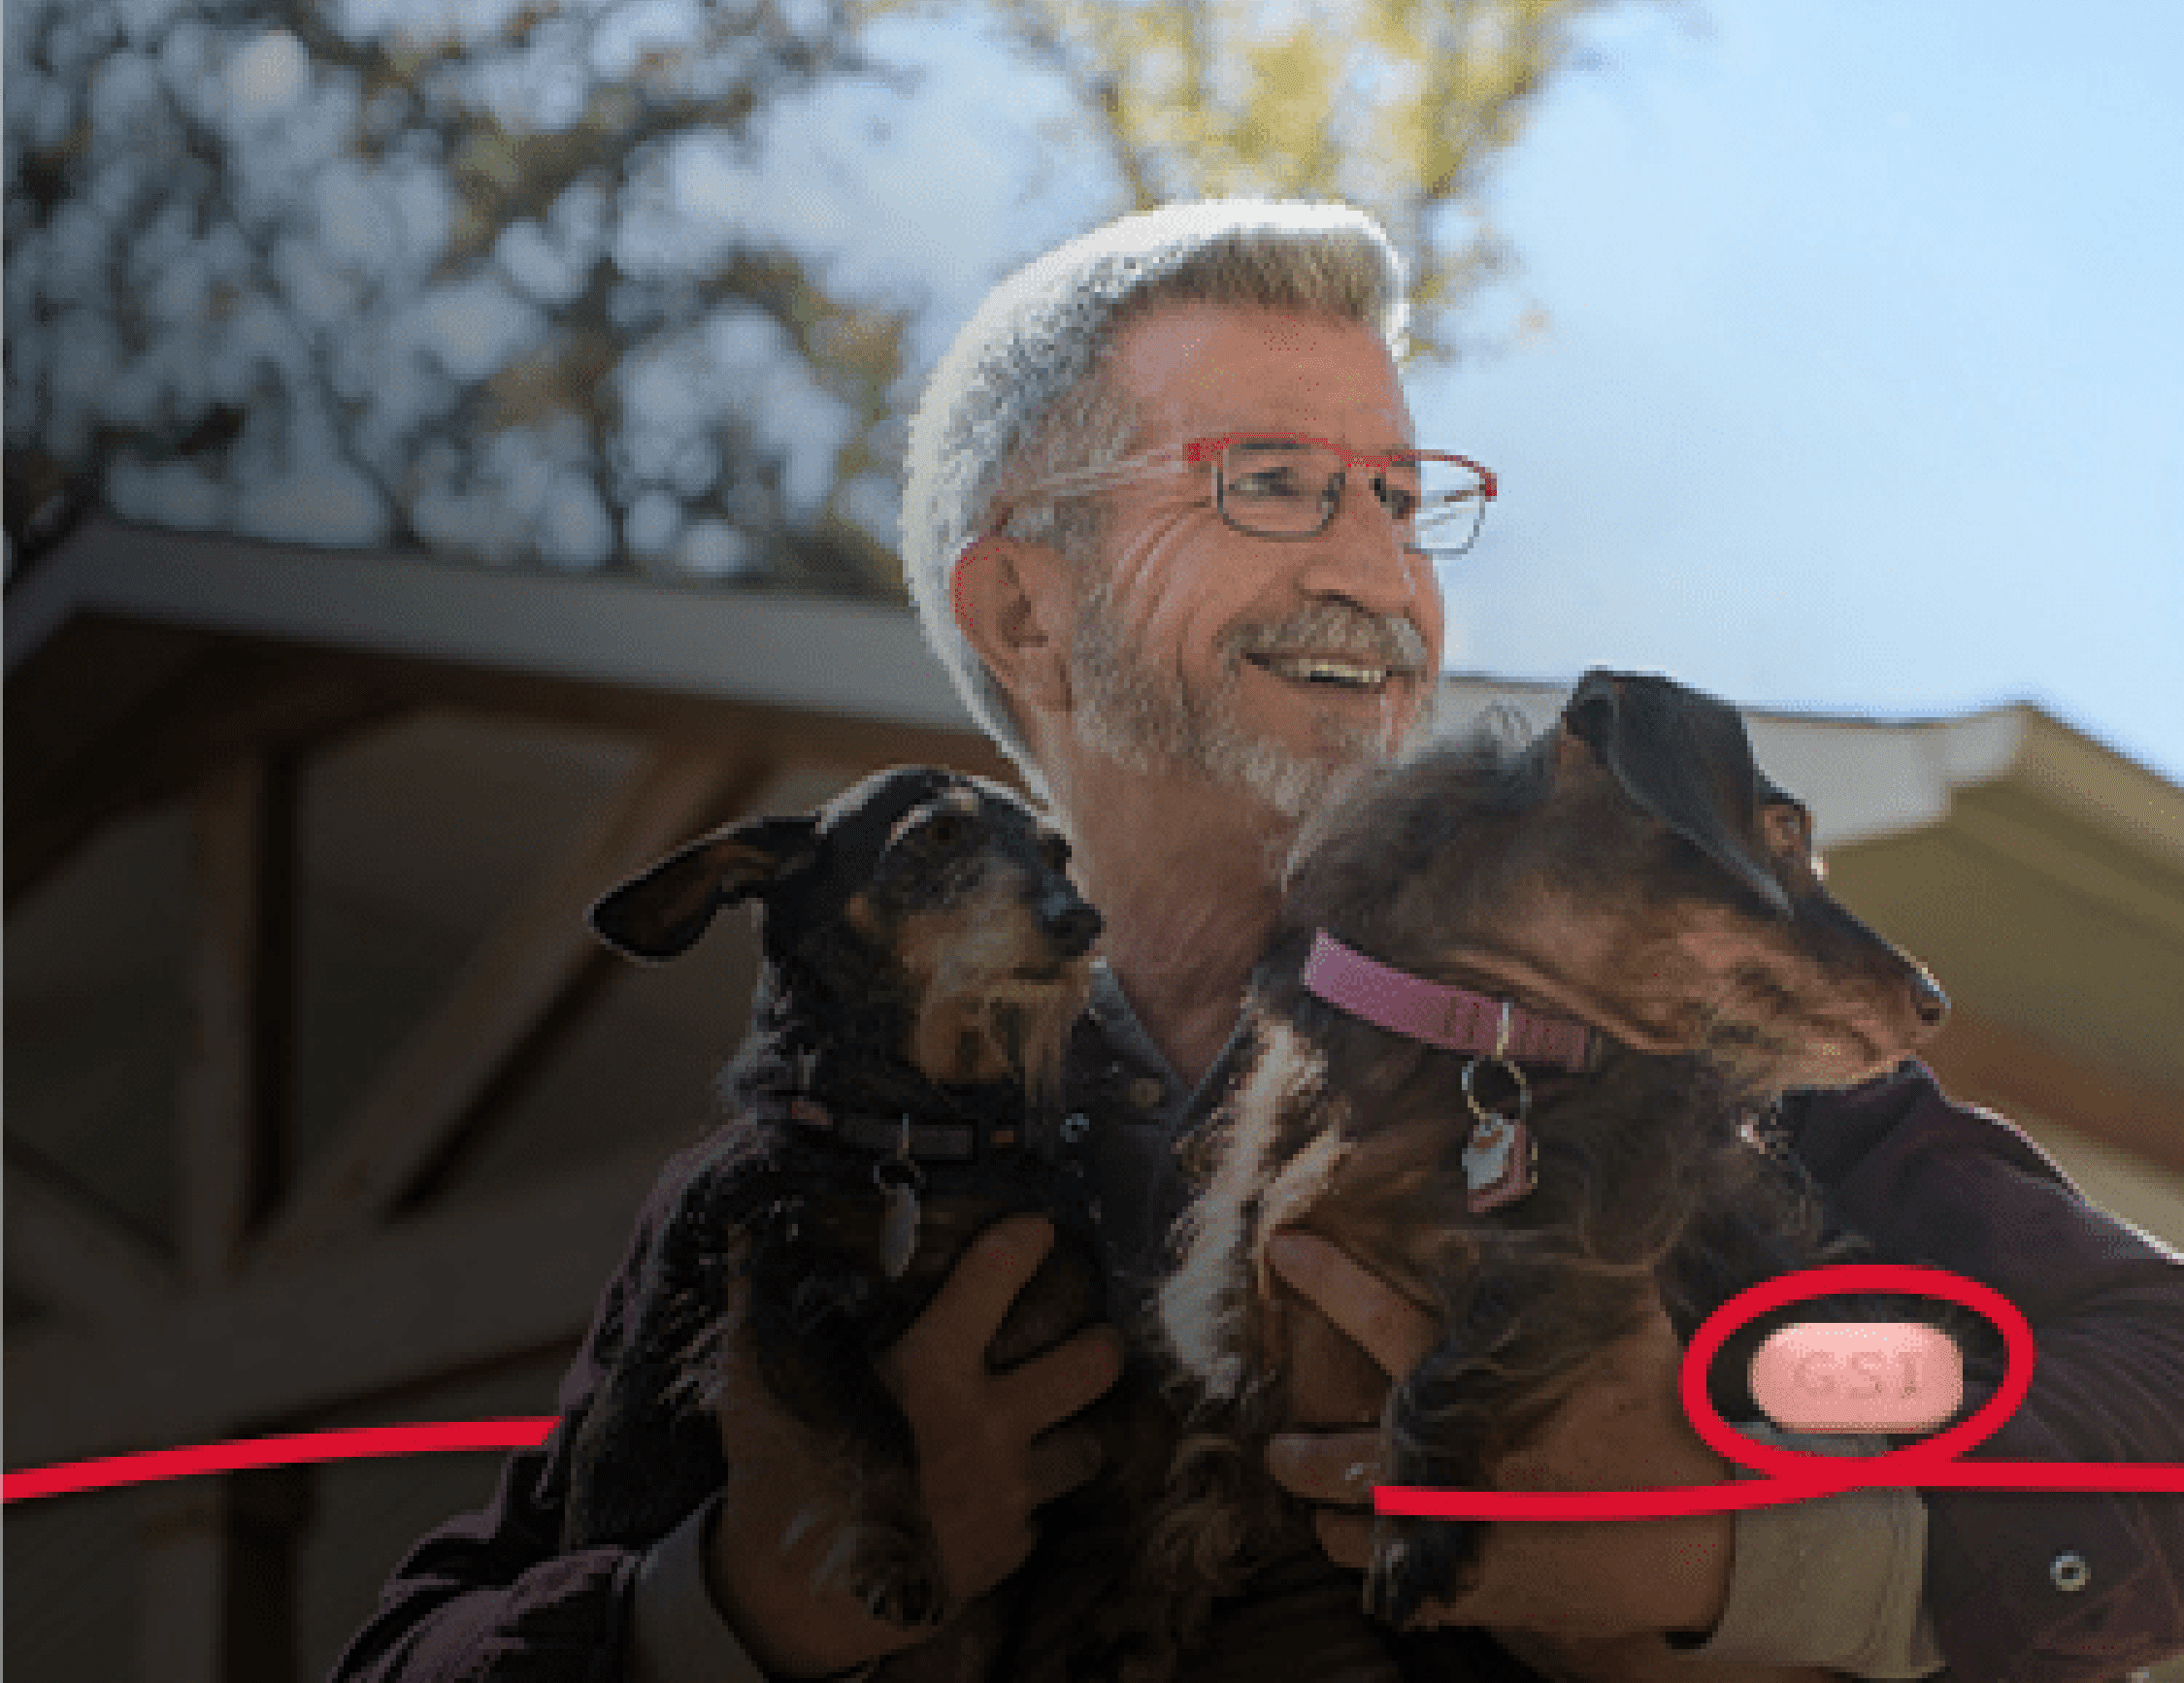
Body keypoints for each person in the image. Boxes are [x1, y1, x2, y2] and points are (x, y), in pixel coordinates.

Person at [332, 200, 2184, 1683]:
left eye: (1400, 496)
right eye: (1276, 480)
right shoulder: (796, 1199)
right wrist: (731, 1608)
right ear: (1027, 608)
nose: (1376, 577)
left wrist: (1733, 1552)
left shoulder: (1670, 1062)